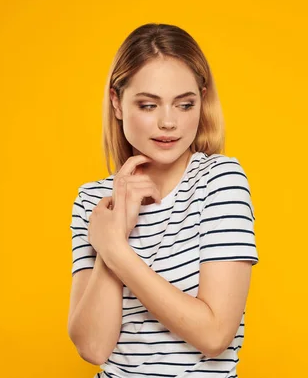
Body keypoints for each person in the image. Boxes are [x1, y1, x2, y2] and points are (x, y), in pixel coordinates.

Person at [67, 23, 259, 378]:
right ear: (117, 102)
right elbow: (93, 347)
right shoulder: (92, 200)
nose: (168, 122)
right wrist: (116, 226)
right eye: (148, 104)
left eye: (184, 104)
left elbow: (215, 334)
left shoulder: (219, 181)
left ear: (202, 100)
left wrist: (115, 248)